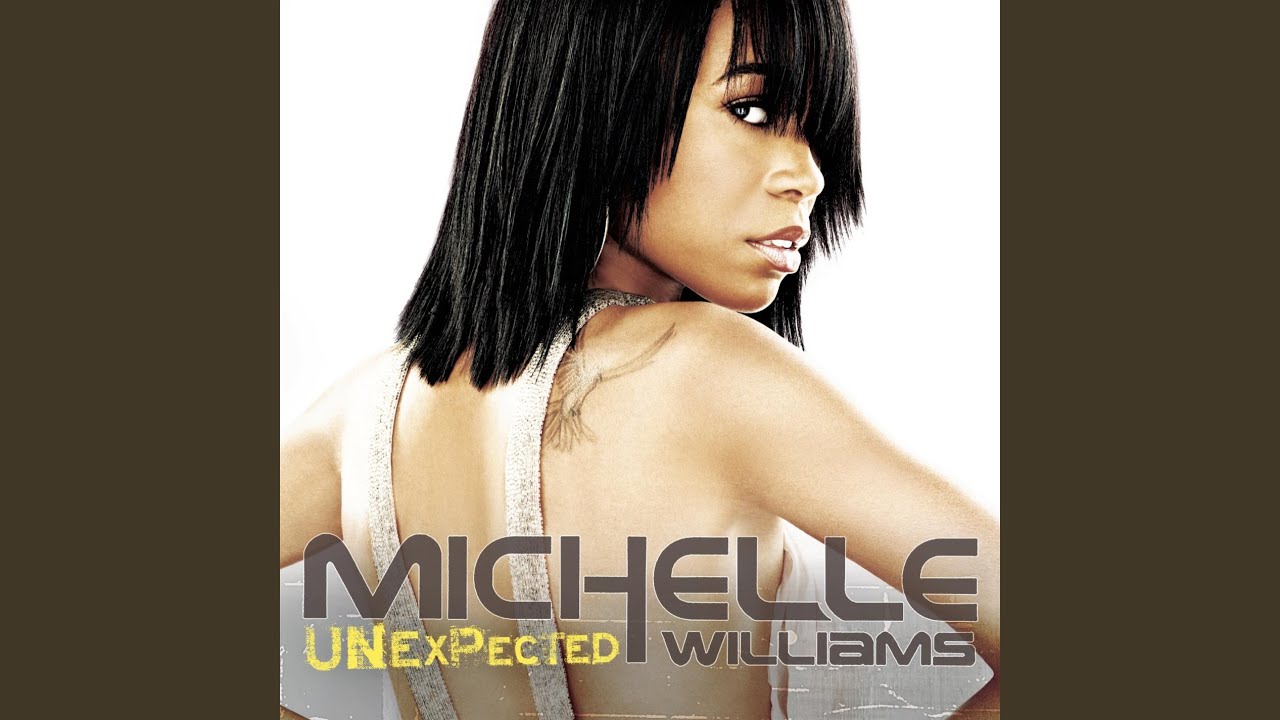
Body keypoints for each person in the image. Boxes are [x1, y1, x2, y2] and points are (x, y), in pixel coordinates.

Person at [280, 0, 999, 718]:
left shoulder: (362, 413)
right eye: (750, 110)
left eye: (816, 129)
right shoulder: (710, 372)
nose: (806, 174)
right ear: (598, 95)